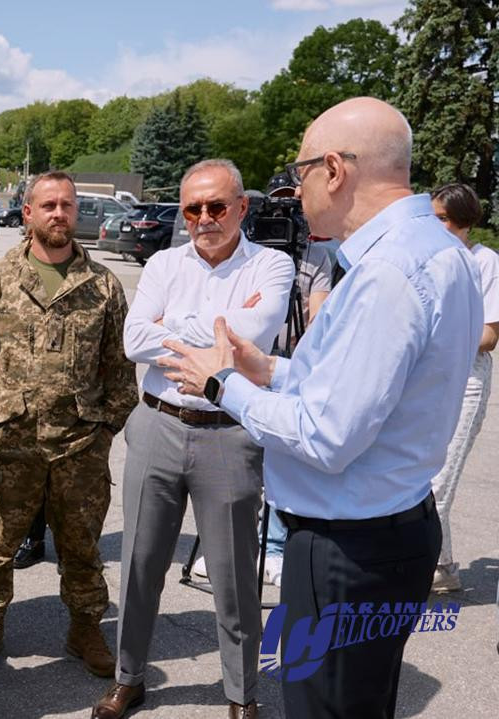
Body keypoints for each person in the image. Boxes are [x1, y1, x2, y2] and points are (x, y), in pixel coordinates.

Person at [159, 98, 483, 719]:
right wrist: (271, 370)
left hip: (346, 551)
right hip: (389, 528)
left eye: (301, 170)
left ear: (334, 170)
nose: (297, 188)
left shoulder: (386, 274)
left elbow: (326, 435)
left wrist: (222, 383)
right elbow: (367, 390)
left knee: (320, 706)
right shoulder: (438, 251)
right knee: (356, 703)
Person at [96, 158, 294, 719]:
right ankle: (128, 678)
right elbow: (135, 339)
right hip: (158, 423)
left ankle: (240, 694)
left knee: (233, 576)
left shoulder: (271, 266)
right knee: (139, 563)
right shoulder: (163, 262)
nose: (204, 218)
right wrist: (214, 325)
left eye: (216, 206)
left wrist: (178, 324)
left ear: (242, 207)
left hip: (228, 434)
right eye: (192, 208)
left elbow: (250, 336)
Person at [0, 171, 136, 676]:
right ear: (27, 213)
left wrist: (105, 430)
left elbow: (120, 368)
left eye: (67, 205)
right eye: (48, 205)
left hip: (80, 445)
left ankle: (85, 628)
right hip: (13, 441)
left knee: (81, 545)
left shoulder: (102, 286)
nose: (59, 214)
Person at [193, 174, 335, 588]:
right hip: (242, 362)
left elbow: (319, 320)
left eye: (291, 203)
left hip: (288, 362)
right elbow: (219, 317)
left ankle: (272, 545)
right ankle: (222, 542)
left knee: (278, 456)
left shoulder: (317, 256)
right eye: (273, 204)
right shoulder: (246, 255)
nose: (281, 212)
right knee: (233, 458)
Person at [427, 182, 498, 593]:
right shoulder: (428, 259)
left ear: (464, 220)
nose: (436, 226)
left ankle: (417, 572)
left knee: (438, 484)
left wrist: (435, 336)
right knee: (421, 477)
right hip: (425, 378)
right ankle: (442, 569)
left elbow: (489, 336)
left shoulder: (485, 263)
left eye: (443, 219)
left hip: (465, 379)